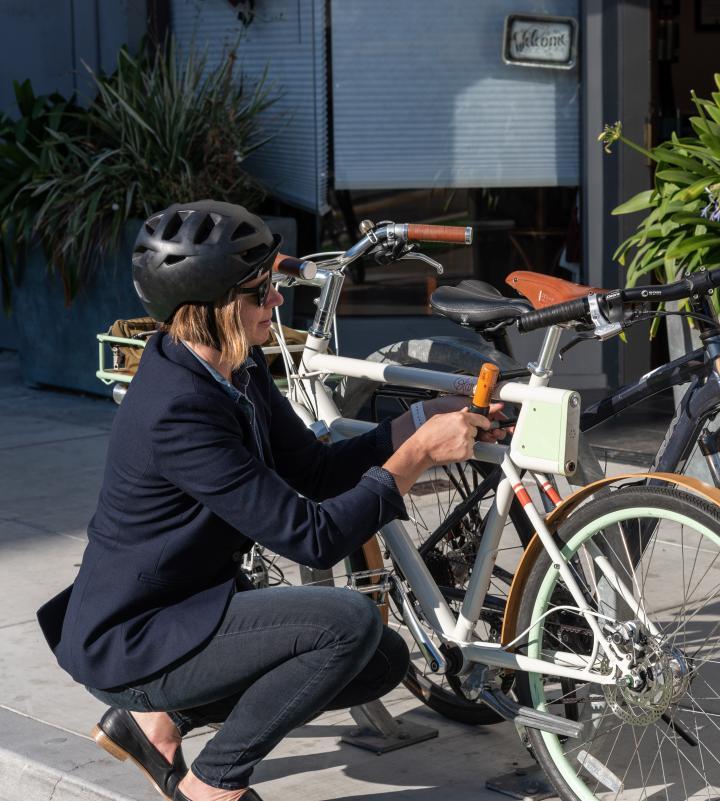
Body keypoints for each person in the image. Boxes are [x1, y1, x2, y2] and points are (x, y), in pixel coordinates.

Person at [36, 201, 502, 801]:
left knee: (381, 660)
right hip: (136, 638)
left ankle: (158, 723)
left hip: (190, 609)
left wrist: (417, 419)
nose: (277, 300)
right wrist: (417, 456)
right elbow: (312, 538)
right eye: (260, 292)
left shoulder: (235, 364)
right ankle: (212, 784)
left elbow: (314, 470)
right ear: (211, 307)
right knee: (348, 623)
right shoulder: (177, 411)